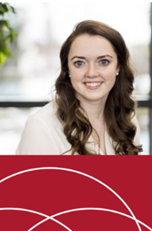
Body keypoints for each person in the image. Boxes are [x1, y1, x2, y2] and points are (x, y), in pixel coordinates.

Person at [16, 20, 142, 155]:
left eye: (103, 62)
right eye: (79, 63)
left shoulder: (127, 120)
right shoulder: (40, 127)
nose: (91, 73)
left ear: (118, 67)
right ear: (67, 69)